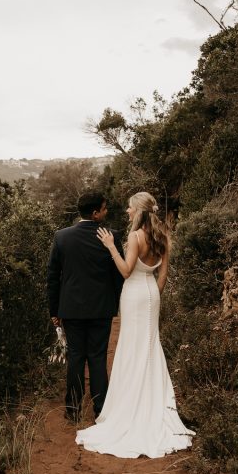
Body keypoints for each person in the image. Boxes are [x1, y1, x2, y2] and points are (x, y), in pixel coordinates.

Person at [75, 191, 194, 458]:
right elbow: (163, 276)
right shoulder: (162, 235)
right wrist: (153, 294)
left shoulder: (134, 236)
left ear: (138, 211)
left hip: (133, 294)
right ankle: (154, 404)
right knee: (151, 346)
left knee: (131, 346)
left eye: (130, 208)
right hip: (151, 293)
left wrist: (110, 246)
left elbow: (126, 271)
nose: (127, 211)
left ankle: (129, 409)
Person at [47, 191, 124, 423]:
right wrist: (113, 301)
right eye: (104, 208)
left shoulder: (62, 237)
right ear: (95, 213)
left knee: (76, 359)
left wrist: (54, 311)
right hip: (101, 309)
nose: (106, 211)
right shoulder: (112, 236)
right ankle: (101, 410)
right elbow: (118, 276)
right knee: (98, 358)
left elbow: (52, 278)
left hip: (70, 310)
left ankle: (73, 411)